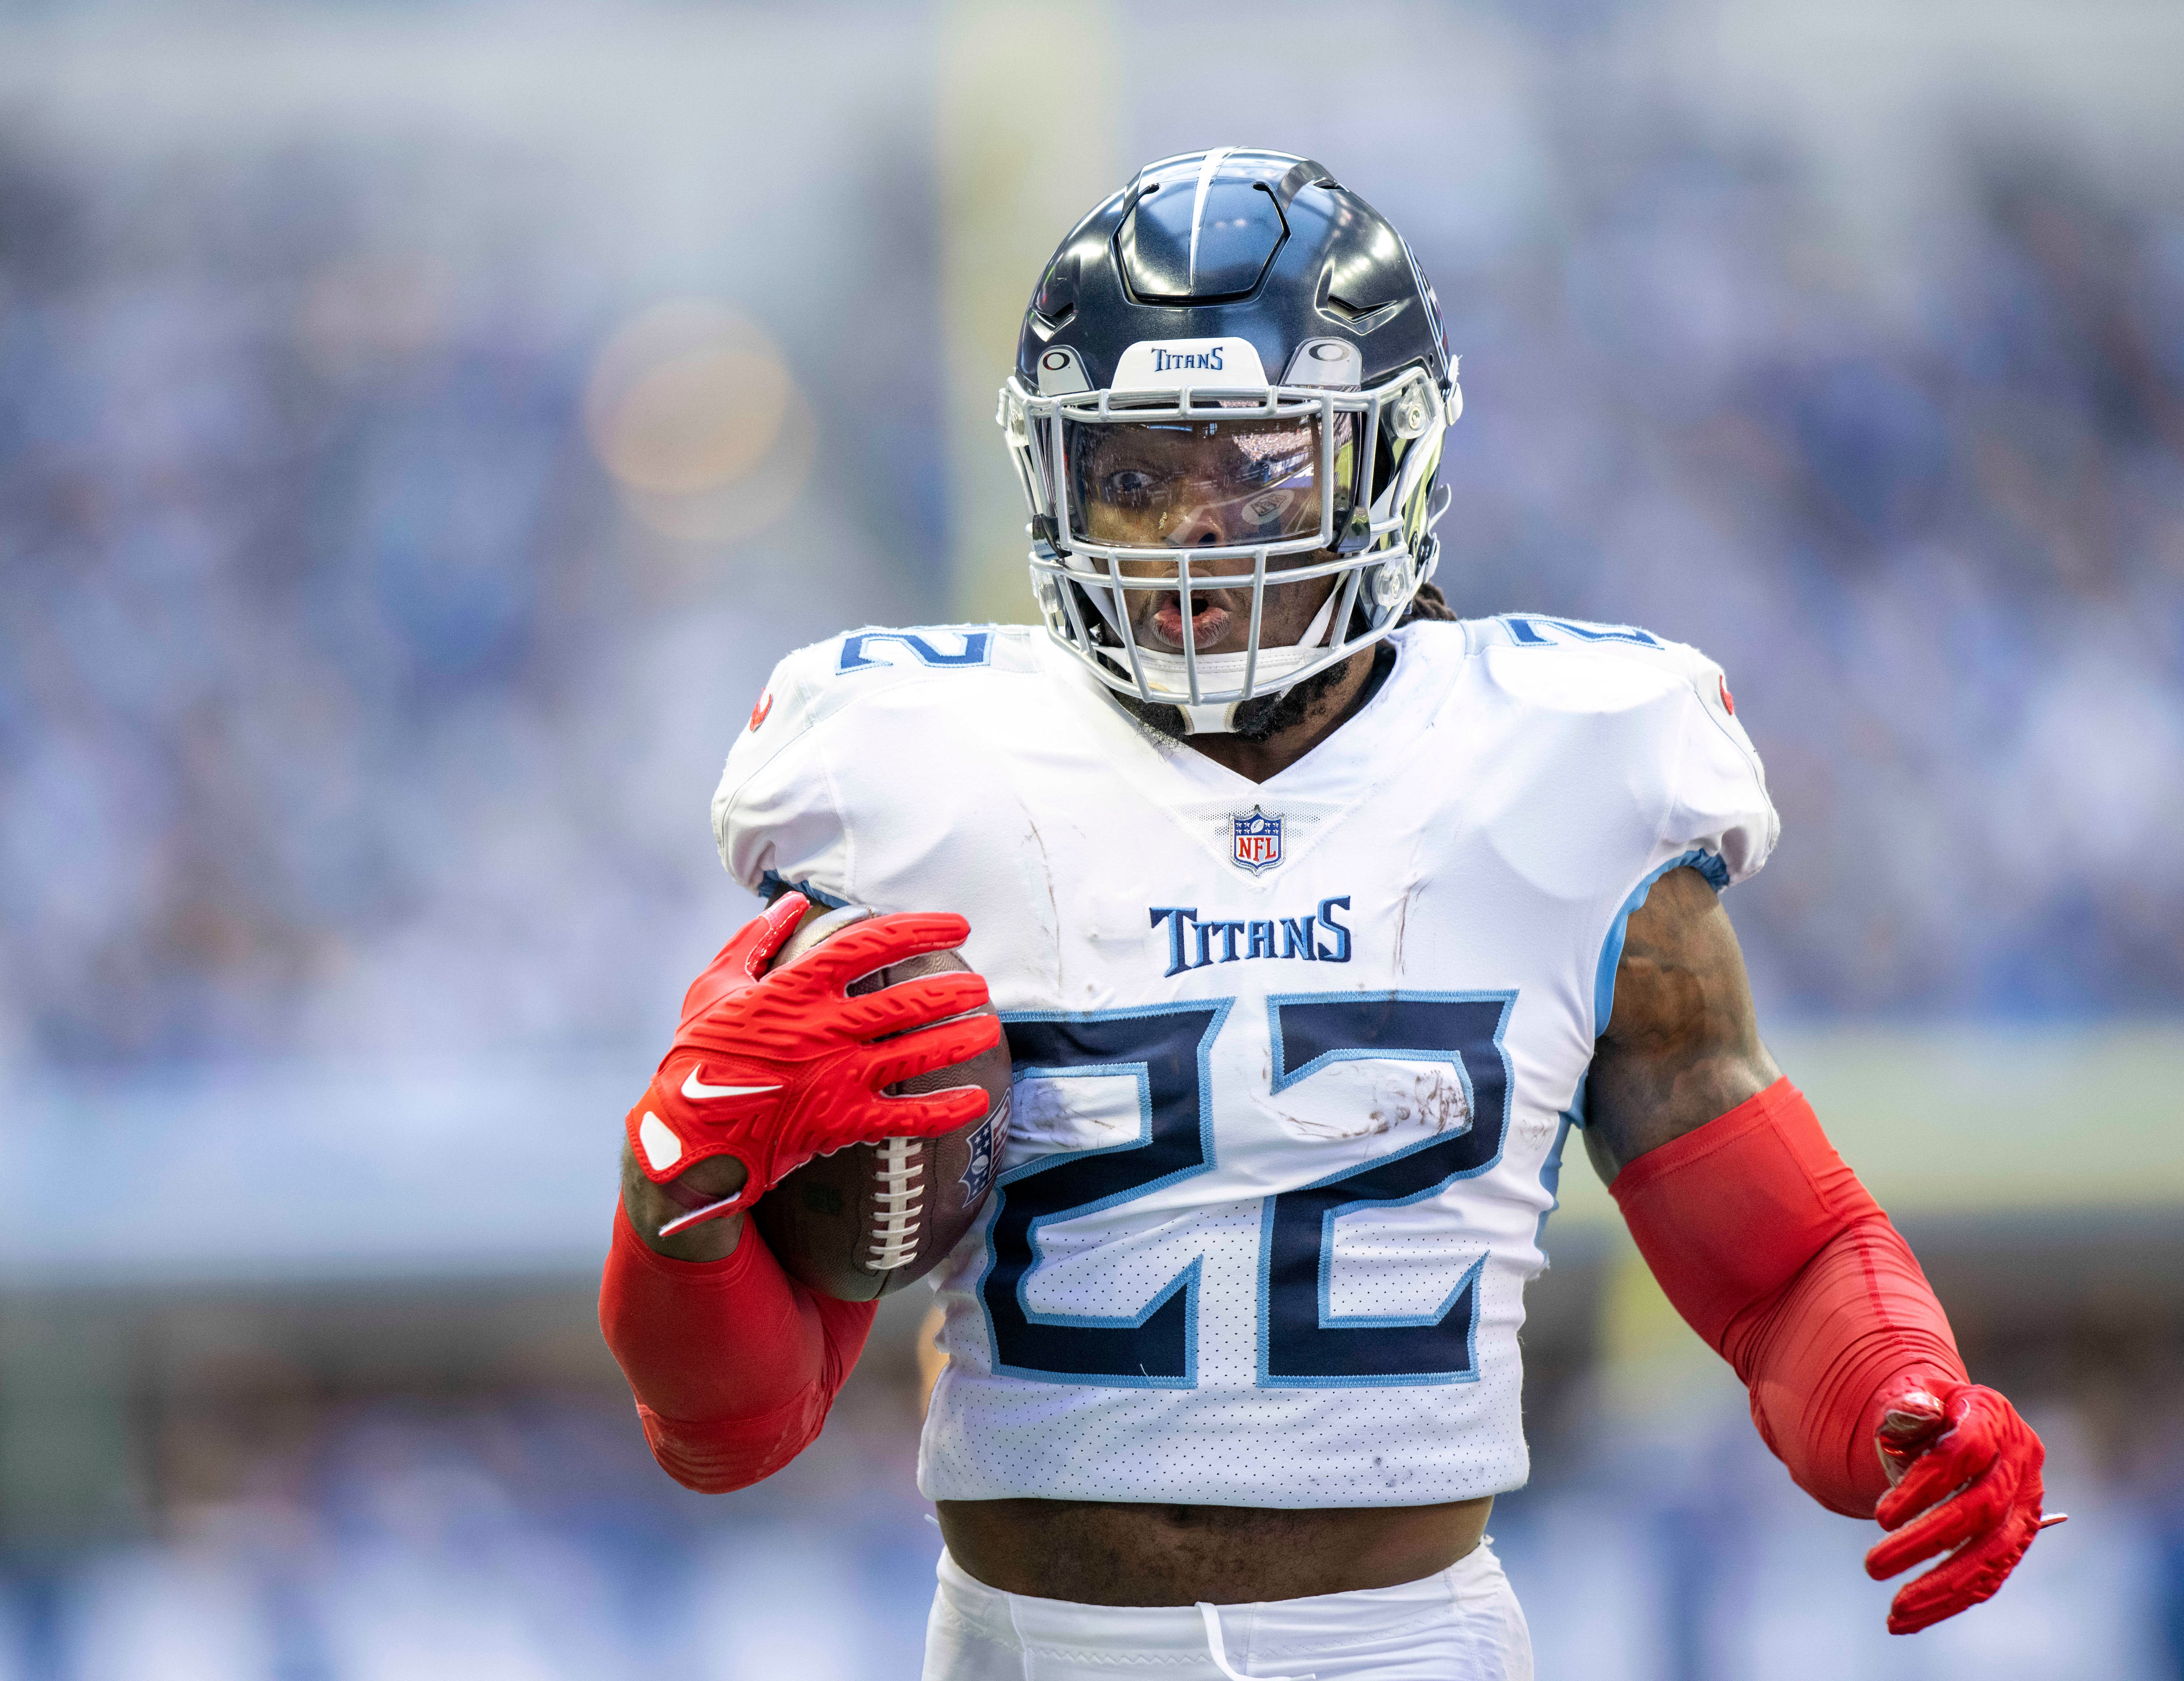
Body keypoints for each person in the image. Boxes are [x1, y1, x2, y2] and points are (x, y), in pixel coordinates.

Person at [598, 148, 2053, 1679]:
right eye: (1137, 477)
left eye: (1258, 469)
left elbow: (1778, 1262)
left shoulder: (1572, 756)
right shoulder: (912, 769)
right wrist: (675, 1189)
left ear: (1389, 461)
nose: (1192, 534)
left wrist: (1901, 1390)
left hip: (1405, 1644)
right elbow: (728, 1428)